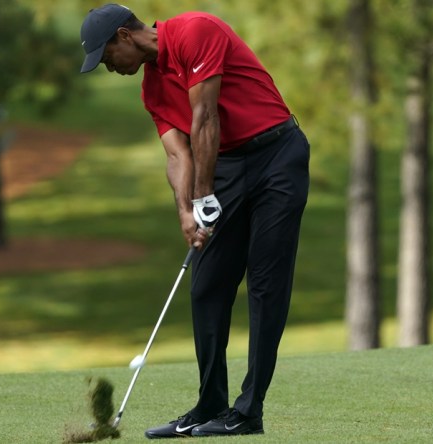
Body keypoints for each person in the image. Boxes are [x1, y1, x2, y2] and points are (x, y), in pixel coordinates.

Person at [79, 4, 310, 439]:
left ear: (125, 36)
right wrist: (187, 210)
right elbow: (177, 154)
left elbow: (207, 117)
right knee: (206, 286)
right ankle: (210, 405)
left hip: (277, 155)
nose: (110, 68)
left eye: (108, 58)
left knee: (265, 283)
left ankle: (248, 411)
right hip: (224, 165)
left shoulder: (195, 31)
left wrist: (204, 194)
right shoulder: (151, 90)